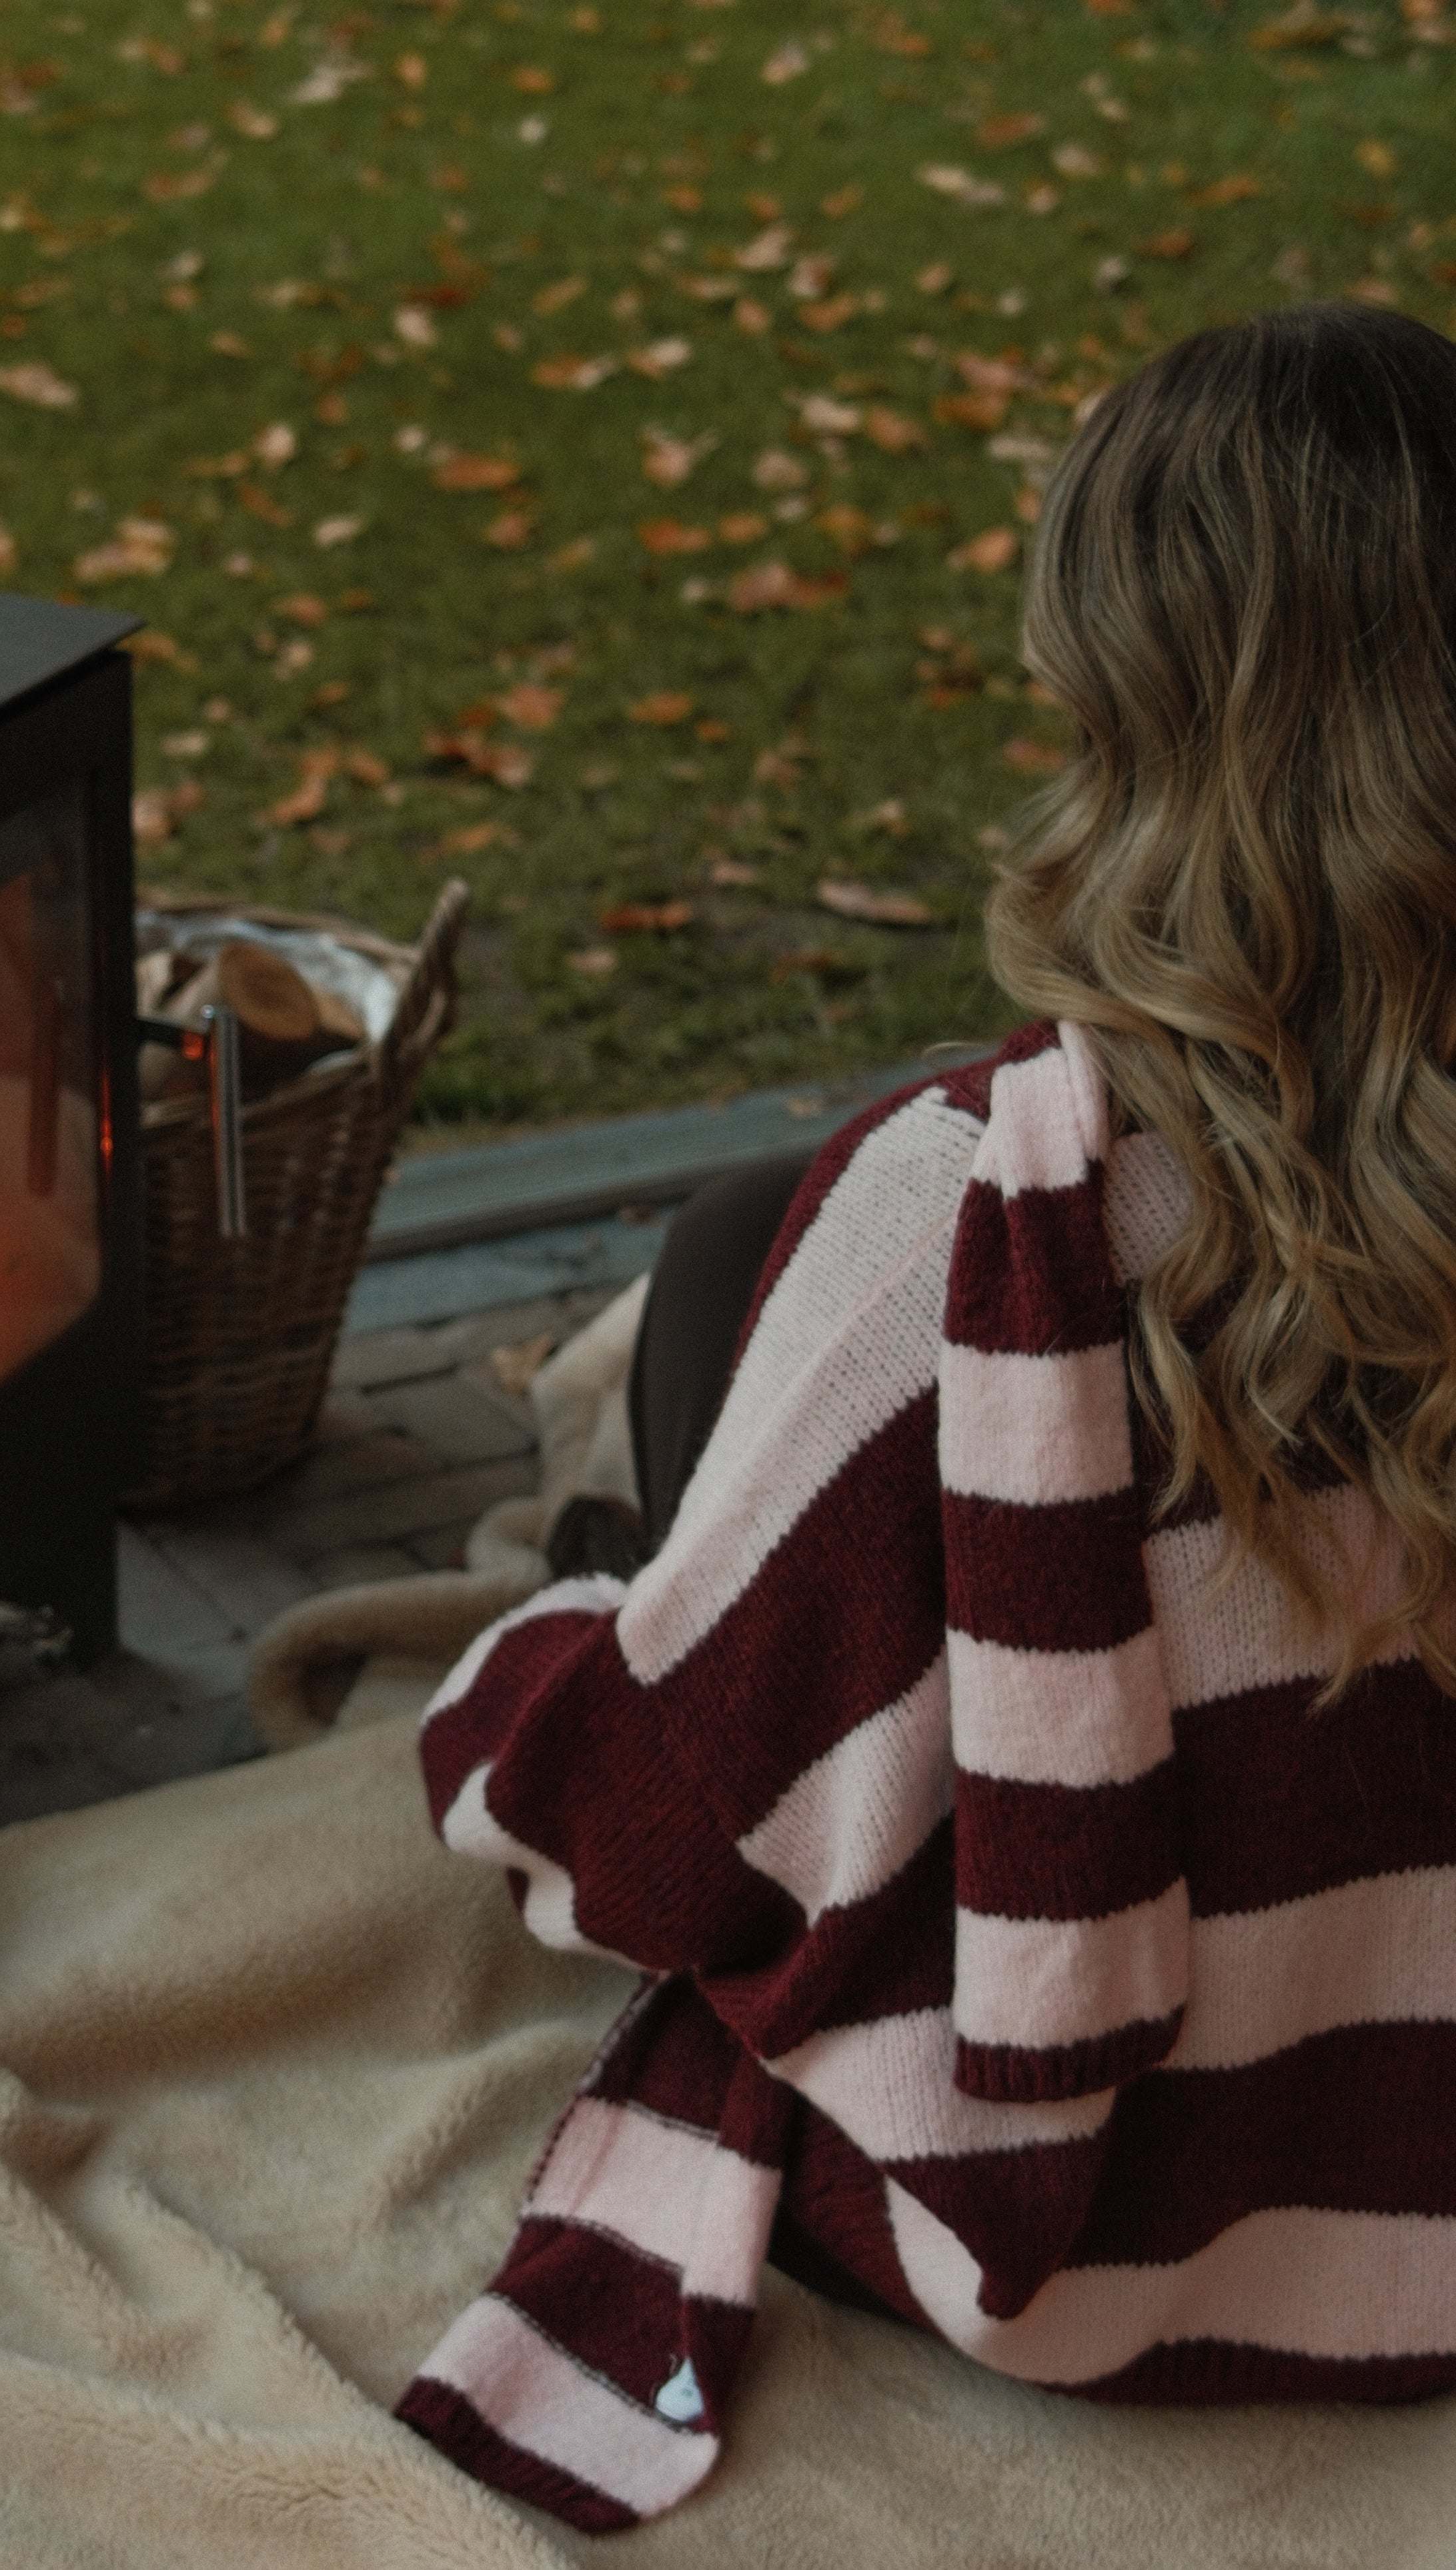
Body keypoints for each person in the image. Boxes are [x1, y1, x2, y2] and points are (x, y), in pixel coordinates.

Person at [396, 303, 1456, 2534]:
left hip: (1096, 2248)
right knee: (737, 1270)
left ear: (1117, 683)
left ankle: (642, 1536)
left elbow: (646, 1845)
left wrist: (510, 1692)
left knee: (720, 1272)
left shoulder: (981, 1218)